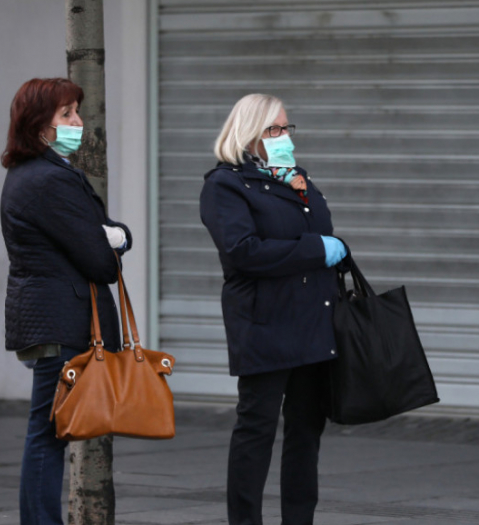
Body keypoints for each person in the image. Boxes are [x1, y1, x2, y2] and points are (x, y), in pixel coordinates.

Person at [199, 93, 348, 525]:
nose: (284, 137)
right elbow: (242, 251)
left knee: (306, 432)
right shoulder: (225, 185)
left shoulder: (296, 178)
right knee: (256, 430)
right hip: (264, 323)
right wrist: (316, 250)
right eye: (274, 129)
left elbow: (321, 230)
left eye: (286, 128)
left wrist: (327, 246)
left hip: (312, 320)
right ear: (249, 134)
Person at [0, 77, 132, 524]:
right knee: (47, 434)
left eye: (76, 111)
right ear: (40, 125)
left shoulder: (32, 174)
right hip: (61, 322)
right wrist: (116, 240)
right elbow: (99, 261)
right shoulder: (49, 180)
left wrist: (113, 235)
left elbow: (98, 234)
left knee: (49, 431)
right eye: (66, 114)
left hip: (50, 319)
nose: (78, 122)